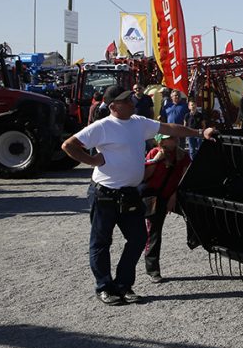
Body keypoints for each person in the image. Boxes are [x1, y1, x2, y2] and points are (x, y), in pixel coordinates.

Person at [60, 85, 218, 306]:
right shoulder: (102, 126)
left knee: (138, 238)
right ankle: (104, 287)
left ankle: (123, 285)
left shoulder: (138, 122)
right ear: (113, 106)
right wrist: (92, 161)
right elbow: (68, 145)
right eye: (126, 100)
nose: (131, 102)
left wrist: (200, 133)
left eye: (130, 98)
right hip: (104, 193)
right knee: (101, 242)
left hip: (130, 193)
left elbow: (170, 128)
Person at [141, 133, 191, 282]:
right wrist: (156, 160)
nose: (175, 139)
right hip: (153, 197)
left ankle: (195, 240)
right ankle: (153, 270)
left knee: (194, 213)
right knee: (154, 232)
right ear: (161, 141)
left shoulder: (182, 155)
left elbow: (185, 179)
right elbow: (145, 177)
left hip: (173, 194)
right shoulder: (154, 153)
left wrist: (174, 196)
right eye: (169, 138)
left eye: (174, 137)